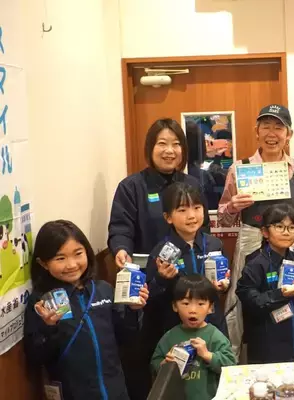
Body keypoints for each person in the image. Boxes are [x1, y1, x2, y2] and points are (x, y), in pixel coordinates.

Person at [217, 104, 294, 359]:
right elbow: (224, 215)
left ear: (288, 134)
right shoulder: (240, 169)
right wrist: (233, 206)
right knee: (248, 301)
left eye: (279, 127)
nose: (272, 133)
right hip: (252, 244)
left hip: (292, 245)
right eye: (266, 126)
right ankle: (246, 360)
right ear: (256, 131)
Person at [107, 118, 211, 399]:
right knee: (155, 354)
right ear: (150, 148)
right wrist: (120, 248)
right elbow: (120, 228)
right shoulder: (132, 186)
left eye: (176, 144)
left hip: (190, 284)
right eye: (162, 144)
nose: (169, 150)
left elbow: (204, 229)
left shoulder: (191, 183)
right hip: (151, 286)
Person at [23, 220, 149, 400]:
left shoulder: (103, 289)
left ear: (87, 252)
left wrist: (133, 309)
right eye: (60, 258)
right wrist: (49, 328)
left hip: (116, 391)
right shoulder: (42, 301)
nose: (72, 264)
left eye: (78, 254)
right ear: (43, 263)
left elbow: (126, 338)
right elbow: (37, 357)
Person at [236, 204, 294, 364]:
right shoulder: (255, 263)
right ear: (265, 232)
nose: (286, 232)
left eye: (291, 227)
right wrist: (279, 295)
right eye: (279, 227)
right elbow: (250, 302)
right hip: (268, 349)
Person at [146, 182, 229, 340]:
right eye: (182, 210)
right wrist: (162, 279)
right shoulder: (161, 252)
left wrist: (223, 286)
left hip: (213, 326)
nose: (191, 215)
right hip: (176, 329)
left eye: (197, 208)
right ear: (168, 217)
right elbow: (149, 298)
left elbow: (224, 281)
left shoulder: (214, 244)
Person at [151, 275, 236, 400]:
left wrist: (208, 355)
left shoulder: (215, 336)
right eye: (185, 303)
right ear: (175, 306)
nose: (192, 310)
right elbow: (154, 364)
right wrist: (165, 364)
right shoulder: (169, 336)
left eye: (200, 304)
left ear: (210, 308)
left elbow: (230, 365)